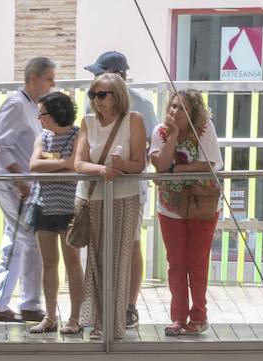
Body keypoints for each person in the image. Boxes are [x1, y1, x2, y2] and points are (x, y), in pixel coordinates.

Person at [85, 52, 158, 330]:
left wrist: (124, 165)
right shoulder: (92, 102)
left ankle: (129, 306)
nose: (97, 96)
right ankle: (102, 310)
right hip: (98, 190)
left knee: (131, 243)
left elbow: (149, 147)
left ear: (119, 76)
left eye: (101, 74)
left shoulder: (141, 105)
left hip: (130, 189)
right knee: (99, 247)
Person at [72, 73, 146, 340]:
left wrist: (121, 166)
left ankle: (113, 324)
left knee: (117, 260)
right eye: (93, 95)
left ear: (118, 95)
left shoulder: (133, 120)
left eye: (102, 95)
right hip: (92, 198)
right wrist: (102, 169)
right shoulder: (88, 122)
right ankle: (98, 322)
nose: (97, 100)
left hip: (124, 198)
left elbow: (139, 163)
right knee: (95, 260)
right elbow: (78, 163)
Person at [148, 89, 222, 336]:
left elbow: (208, 163)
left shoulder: (205, 128)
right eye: (173, 106)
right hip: (170, 207)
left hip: (202, 205)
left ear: (194, 111)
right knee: (176, 263)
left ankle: (199, 315)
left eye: (182, 108)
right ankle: (178, 317)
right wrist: (173, 136)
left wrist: (177, 169)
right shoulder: (160, 131)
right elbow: (160, 164)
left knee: (197, 262)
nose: (175, 112)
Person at [0, 56, 56, 325]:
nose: (52, 84)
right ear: (34, 79)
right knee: (28, 240)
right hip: (14, 185)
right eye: (49, 79)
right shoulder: (16, 105)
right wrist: (18, 177)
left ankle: (3, 301)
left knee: (17, 240)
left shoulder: (30, 106)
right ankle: (26, 303)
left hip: (24, 185)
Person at [26, 90, 84, 335]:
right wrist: (62, 162)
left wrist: (52, 163)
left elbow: (76, 165)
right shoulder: (43, 137)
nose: (39, 119)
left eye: (43, 114)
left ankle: (75, 318)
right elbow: (34, 165)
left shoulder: (78, 135)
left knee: (73, 263)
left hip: (69, 207)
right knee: (48, 262)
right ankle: (50, 316)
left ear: (57, 113)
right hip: (43, 205)